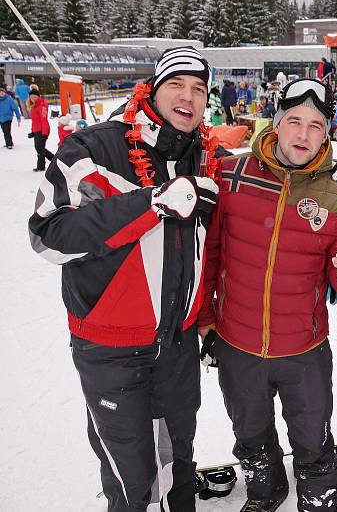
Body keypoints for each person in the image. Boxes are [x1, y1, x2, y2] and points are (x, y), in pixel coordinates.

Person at [28, 46, 219, 511]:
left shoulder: (205, 156)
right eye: (176, 84)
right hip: (111, 351)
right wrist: (149, 204)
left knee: (178, 472)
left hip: (177, 345)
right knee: (132, 482)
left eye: (199, 89)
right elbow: (48, 236)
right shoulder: (94, 148)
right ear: (153, 89)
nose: (188, 97)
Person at [198, 78, 337, 512]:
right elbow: (211, 254)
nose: (303, 134)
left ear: (327, 133)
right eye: (294, 121)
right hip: (238, 344)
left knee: (312, 435)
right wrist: (207, 320)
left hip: (303, 349)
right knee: (250, 431)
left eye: (315, 125)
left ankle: (318, 498)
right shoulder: (233, 177)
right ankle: (265, 490)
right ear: (276, 124)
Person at [29, 88, 54, 171]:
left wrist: (45, 133)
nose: (33, 98)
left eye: (35, 96)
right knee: (40, 148)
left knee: (40, 149)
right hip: (37, 130)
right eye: (31, 97)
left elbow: (44, 120)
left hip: (43, 130)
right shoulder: (33, 105)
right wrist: (33, 132)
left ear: (38, 96)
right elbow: (34, 121)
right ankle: (54, 159)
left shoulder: (42, 105)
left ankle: (41, 166)